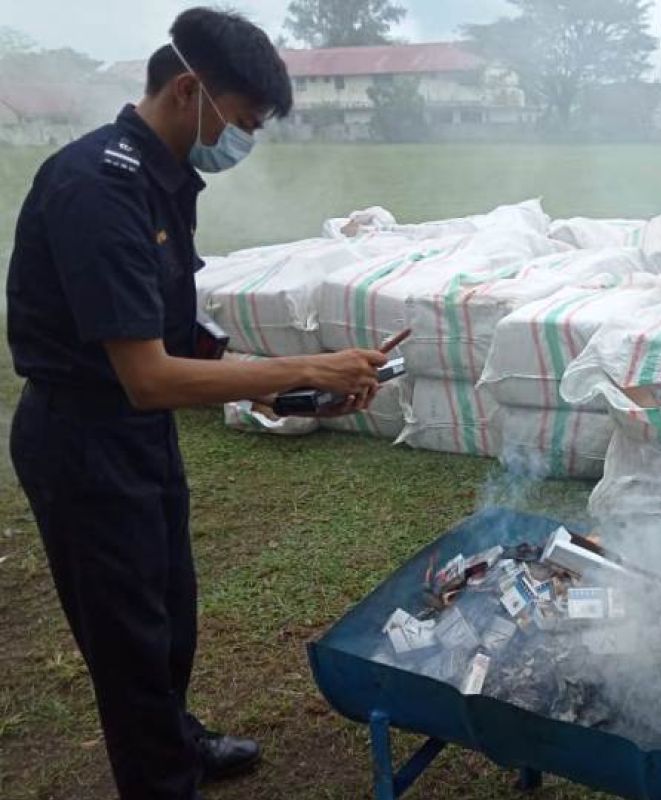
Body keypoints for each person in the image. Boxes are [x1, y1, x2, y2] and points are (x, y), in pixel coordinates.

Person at [5, 8, 387, 799]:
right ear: (191, 90)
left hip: (134, 433)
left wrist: (309, 394)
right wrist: (300, 364)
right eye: (242, 120)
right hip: (83, 437)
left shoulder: (163, 181)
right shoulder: (97, 186)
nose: (242, 140)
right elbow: (149, 375)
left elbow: (187, 340)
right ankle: (160, 781)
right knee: (128, 636)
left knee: (169, 607)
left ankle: (176, 740)